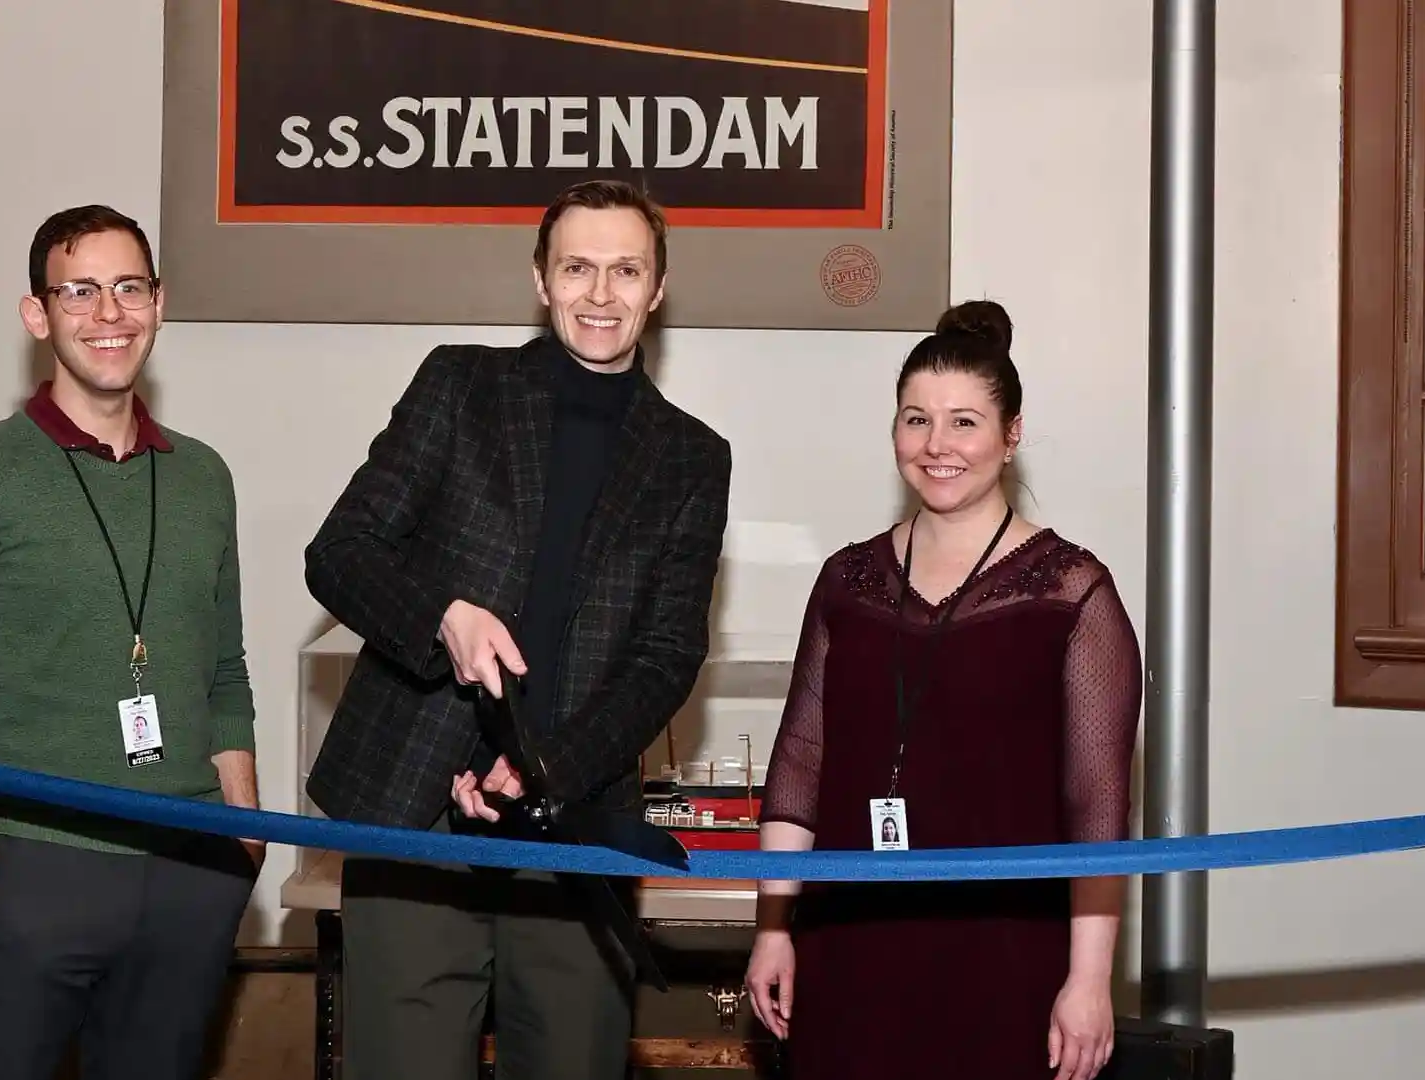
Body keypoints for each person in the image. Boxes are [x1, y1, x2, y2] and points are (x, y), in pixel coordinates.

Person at [302, 178, 733, 1080]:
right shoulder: (461, 384)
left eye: (626, 270)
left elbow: (666, 657)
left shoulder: (693, 455)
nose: (601, 293)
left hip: (574, 831)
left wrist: (545, 767)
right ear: (541, 280)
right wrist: (442, 618)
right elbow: (340, 553)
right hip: (415, 816)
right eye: (578, 267)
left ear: (658, 289)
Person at [0, 204, 263, 1080]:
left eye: (129, 287)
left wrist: (242, 835)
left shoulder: (202, 476)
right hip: (33, 868)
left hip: (189, 868)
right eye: (79, 291)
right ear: (37, 315)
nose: (108, 313)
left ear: (160, 303)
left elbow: (225, 672)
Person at [744, 300, 1141, 1080]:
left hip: (1005, 953)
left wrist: (1090, 980)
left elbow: (1100, 806)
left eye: (964, 422)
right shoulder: (846, 581)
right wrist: (773, 927)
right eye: (915, 420)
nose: (937, 446)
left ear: (1011, 434)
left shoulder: (1073, 593)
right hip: (849, 942)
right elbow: (800, 764)